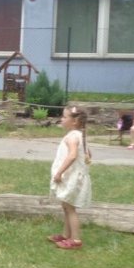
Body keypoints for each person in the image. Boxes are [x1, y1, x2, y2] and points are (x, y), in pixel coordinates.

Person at [49, 106, 92, 250]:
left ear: (74, 121)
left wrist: (59, 172)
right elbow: (88, 154)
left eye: (64, 117)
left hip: (71, 177)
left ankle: (75, 239)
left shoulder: (72, 137)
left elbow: (72, 155)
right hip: (74, 176)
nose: (61, 119)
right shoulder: (80, 135)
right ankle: (66, 235)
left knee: (70, 208)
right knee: (66, 206)